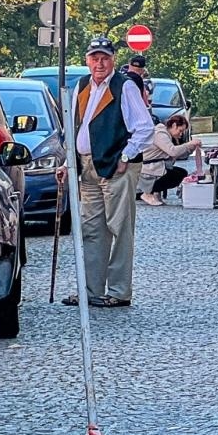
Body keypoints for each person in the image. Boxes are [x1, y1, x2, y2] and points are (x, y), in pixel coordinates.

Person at [58, 35, 153, 308]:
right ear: (87, 61)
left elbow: (144, 128)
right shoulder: (82, 85)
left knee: (120, 228)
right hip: (88, 166)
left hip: (116, 166)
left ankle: (120, 291)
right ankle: (90, 290)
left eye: (104, 58)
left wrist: (126, 155)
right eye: (94, 58)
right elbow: (74, 127)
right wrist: (68, 163)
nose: (99, 63)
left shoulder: (125, 87)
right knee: (91, 230)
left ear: (113, 60)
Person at [139, 113, 200, 205]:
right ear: (174, 125)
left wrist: (191, 148)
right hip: (149, 168)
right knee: (177, 175)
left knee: (180, 173)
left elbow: (178, 154)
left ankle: (155, 193)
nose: (181, 134)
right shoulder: (160, 134)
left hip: (156, 166)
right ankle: (147, 193)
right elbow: (173, 152)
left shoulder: (166, 135)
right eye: (180, 131)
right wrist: (189, 145)